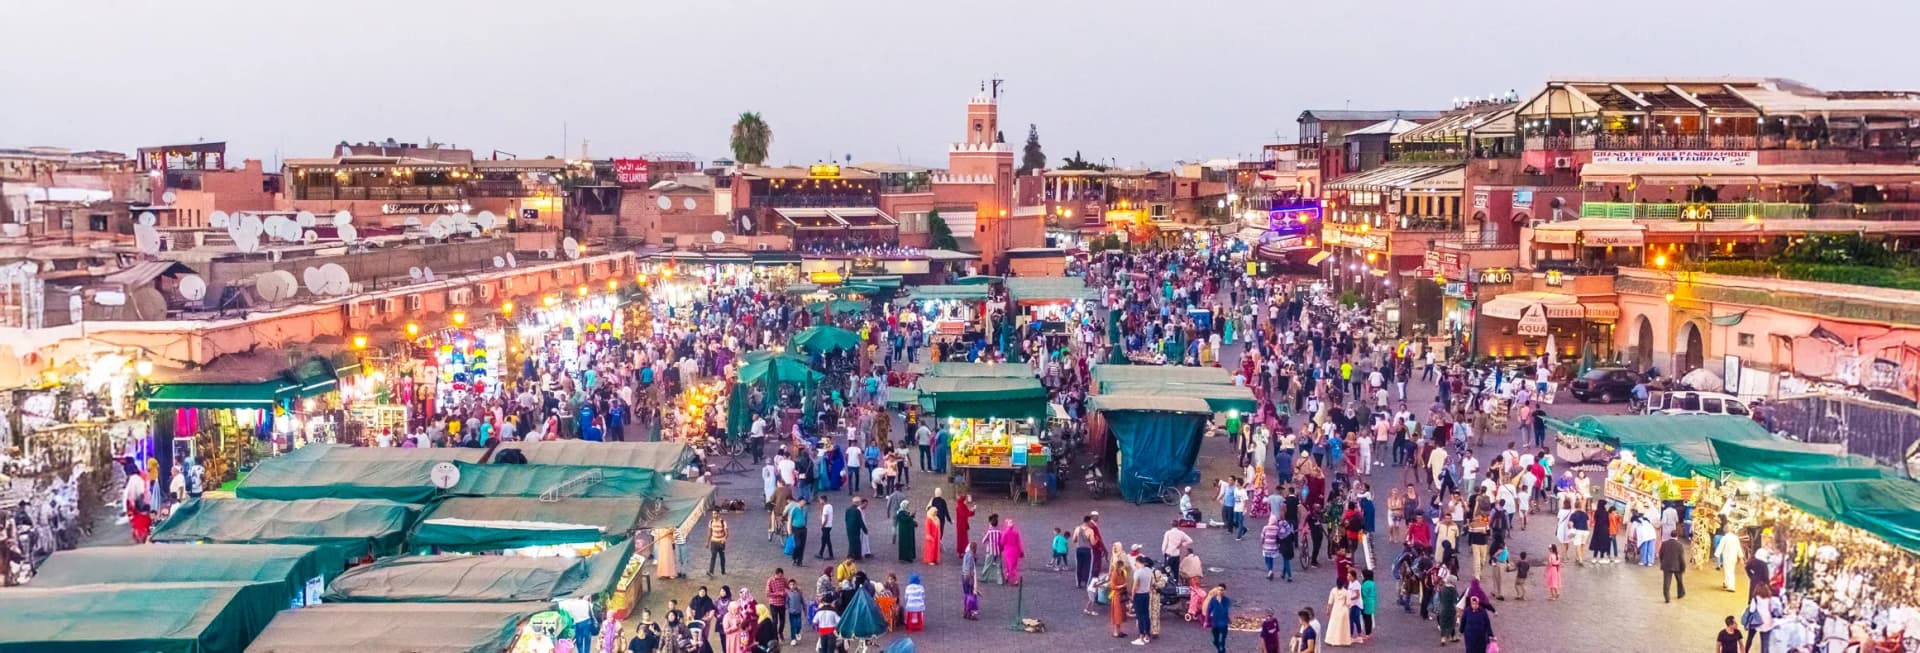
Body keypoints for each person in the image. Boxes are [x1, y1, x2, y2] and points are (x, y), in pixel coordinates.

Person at [1108, 543, 1131, 639]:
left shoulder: (1122, 572)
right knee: (1117, 614)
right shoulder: (1115, 573)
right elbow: (1113, 585)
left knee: (1121, 614)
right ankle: (1115, 632)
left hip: (1121, 595)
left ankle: (1119, 630)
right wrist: (1122, 585)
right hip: (1117, 595)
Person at [1325, 579, 1354, 647]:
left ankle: (1331, 640)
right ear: (1343, 584)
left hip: (1335, 610)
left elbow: (1330, 602)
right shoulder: (1346, 592)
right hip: (1343, 610)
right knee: (1343, 626)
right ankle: (1344, 641)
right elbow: (1348, 603)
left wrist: (1328, 610)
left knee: (1333, 625)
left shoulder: (1333, 590)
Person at [1660, 532, 1687, 602]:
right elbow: (1681, 558)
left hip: (1667, 565)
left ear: (1670, 535)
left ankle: (1667, 597)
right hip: (1677, 565)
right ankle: (1680, 593)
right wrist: (1683, 567)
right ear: (1677, 536)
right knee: (1679, 580)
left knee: (1666, 582)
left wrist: (1662, 562)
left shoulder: (1664, 544)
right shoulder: (1680, 545)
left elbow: (1661, 555)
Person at [1204, 584, 1232, 653]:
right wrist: (1206, 621)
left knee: (1221, 641)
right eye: (1218, 590)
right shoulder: (1213, 600)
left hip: (1223, 625)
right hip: (1215, 624)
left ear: (1224, 591)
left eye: (1221, 590)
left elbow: (1224, 611)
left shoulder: (1226, 600)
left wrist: (1220, 602)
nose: (1220, 591)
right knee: (1215, 641)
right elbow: (1209, 610)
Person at [1001, 518, 1027, 585]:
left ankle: (1013, 580)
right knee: (1013, 566)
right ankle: (1009, 577)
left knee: (1009, 566)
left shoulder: (1005, 533)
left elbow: (1002, 542)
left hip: (1008, 551)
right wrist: (1021, 551)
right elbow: (1019, 543)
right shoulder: (1016, 533)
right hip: (1015, 551)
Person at [960, 543, 981, 620]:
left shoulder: (966, 555)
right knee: (971, 594)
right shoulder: (971, 556)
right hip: (968, 577)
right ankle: (971, 612)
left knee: (966, 594)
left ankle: (966, 611)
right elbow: (969, 568)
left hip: (963, 576)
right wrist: (971, 579)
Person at [815, 496, 835, 561]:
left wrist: (822, 525)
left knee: (827, 541)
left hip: (825, 526)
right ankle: (821, 553)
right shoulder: (830, 506)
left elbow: (825, 518)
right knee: (823, 540)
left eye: (820, 500)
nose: (819, 502)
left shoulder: (825, 508)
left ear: (823, 500)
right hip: (829, 525)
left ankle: (831, 555)